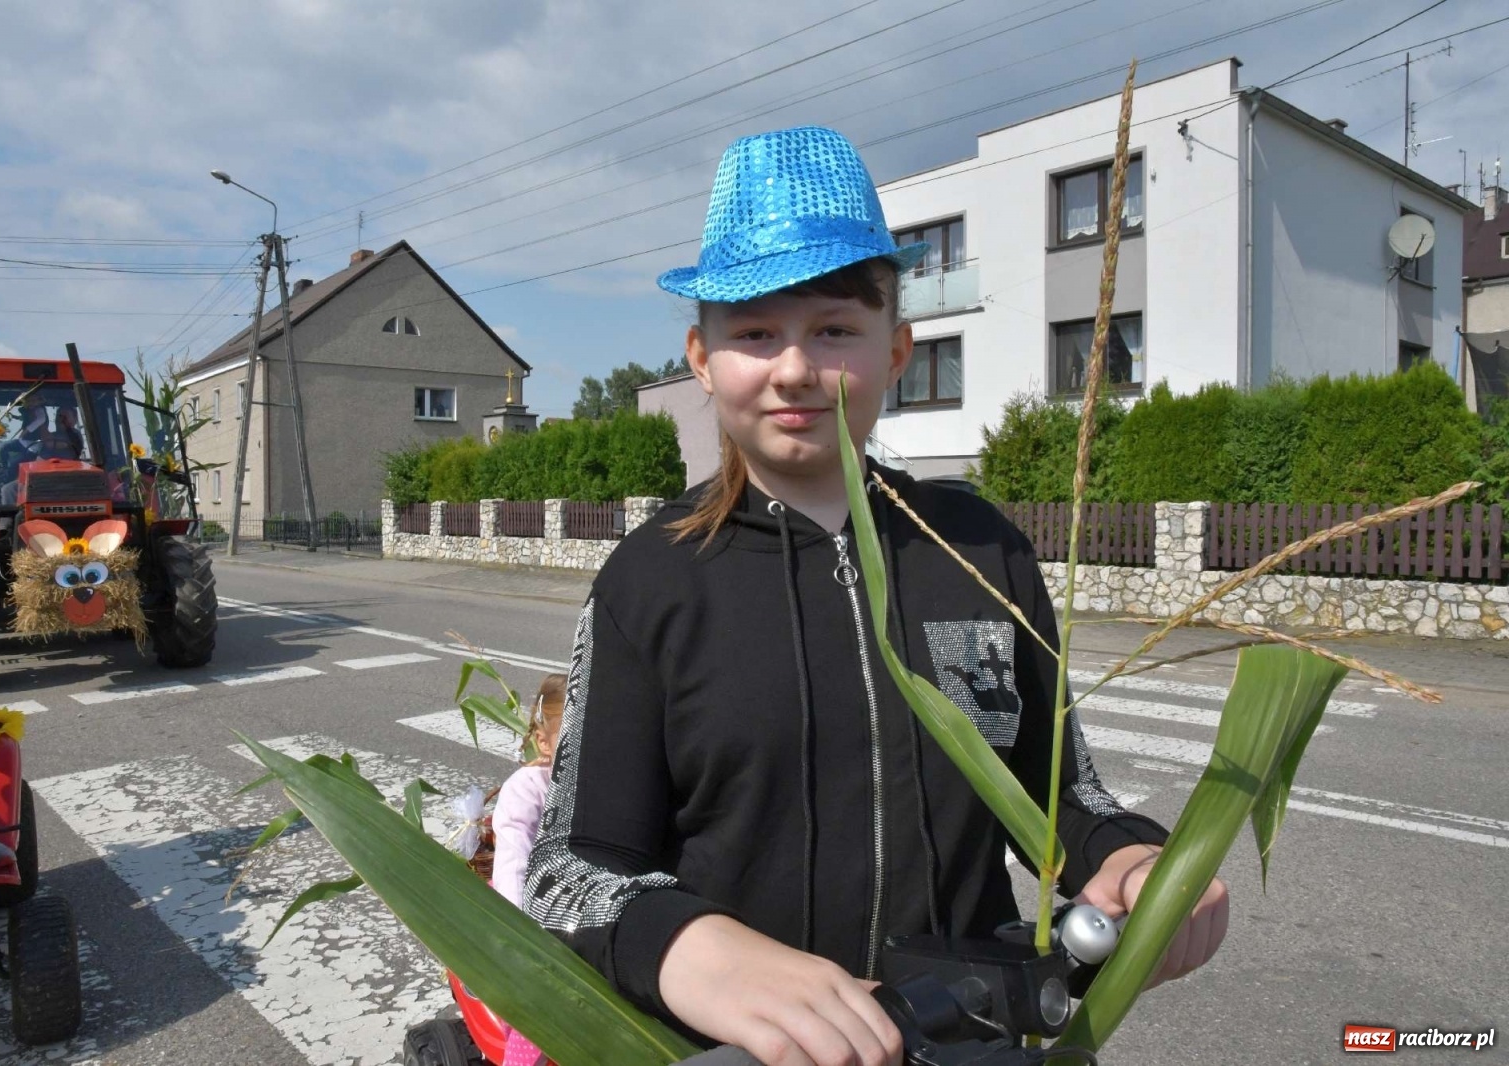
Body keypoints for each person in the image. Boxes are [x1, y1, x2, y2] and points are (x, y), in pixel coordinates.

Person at [523, 126, 1228, 1066]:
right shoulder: (650, 578)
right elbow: (573, 871)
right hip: (739, 1049)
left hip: (973, 1031)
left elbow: (1062, 794)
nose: (795, 368)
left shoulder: (980, 550)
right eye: (755, 331)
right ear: (702, 356)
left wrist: (1135, 860)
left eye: (835, 330)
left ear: (896, 349)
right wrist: (701, 956)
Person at [489, 673, 566, 1066]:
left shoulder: (609, 786)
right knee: (537, 1021)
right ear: (545, 741)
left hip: (589, 919)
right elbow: (513, 863)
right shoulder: (529, 789)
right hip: (541, 927)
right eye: (574, 743)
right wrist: (527, 937)